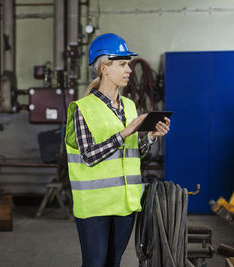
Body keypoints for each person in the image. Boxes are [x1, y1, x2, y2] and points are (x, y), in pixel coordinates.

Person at [64, 33, 171, 267]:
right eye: (122, 64)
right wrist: (124, 133)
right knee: (95, 264)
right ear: (104, 68)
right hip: (95, 206)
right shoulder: (83, 109)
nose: (129, 70)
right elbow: (89, 156)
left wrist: (150, 137)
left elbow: (131, 154)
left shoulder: (130, 106)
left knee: (114, 263)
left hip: (125, 203)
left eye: (128, 64)